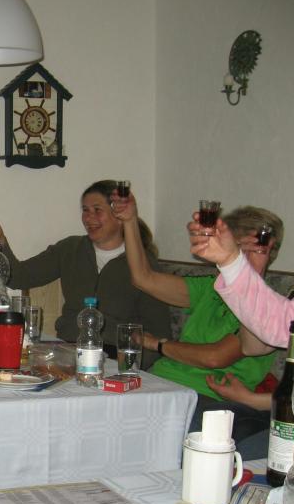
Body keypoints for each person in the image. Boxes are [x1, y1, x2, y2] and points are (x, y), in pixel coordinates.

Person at [111, 194, 281, 457]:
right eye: (237, 247)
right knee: (100, 406)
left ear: (268, 254)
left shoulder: (270, 306)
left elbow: (215, 357)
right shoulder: (211, 287)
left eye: (254, 250)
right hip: (161, 383)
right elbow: (143, 279)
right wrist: (130, 221)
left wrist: (158, 344)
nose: (243, 257)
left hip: (207, 398)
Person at [0, 180, 170, 369]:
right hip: (67, 351)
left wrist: (131, 367)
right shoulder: (70, 249)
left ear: (120, 216)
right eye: (85, 210)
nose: (88, 218)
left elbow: (159, 332)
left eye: (97, 210)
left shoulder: (144, 266)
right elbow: (18, 277)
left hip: (114, 358)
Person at [189, 214, 294, 348]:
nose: (244, 252)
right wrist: (230, 261)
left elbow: (217, 356)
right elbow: (280, 330)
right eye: (239, 246)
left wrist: (233, 262)